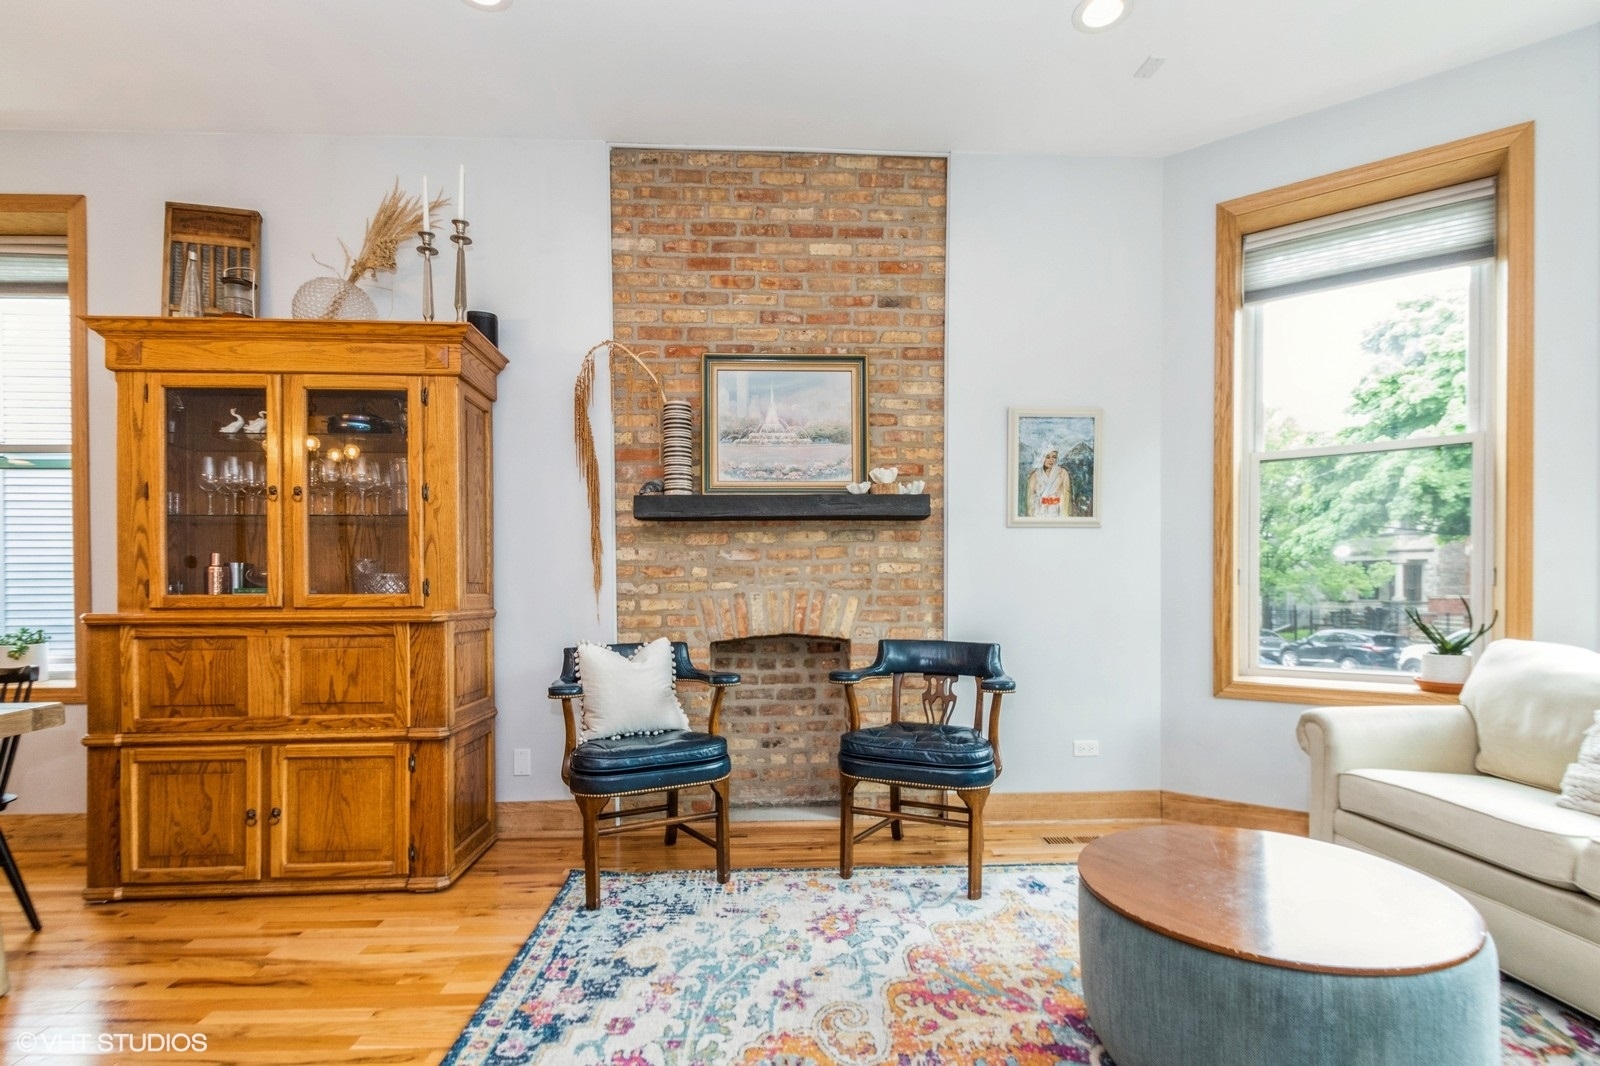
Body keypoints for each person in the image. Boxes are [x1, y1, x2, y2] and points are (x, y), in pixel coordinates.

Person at [1026, 448, 1070, 517]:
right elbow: (1030, 498)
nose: (1051, 460)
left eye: (1054, 457)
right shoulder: (1034, 475)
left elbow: (1066, 495)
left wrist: (1064, 515)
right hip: (1038, 512)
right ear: (1042, 457)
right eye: (1048, 457)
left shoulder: (1062, 472)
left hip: (1057, 512)